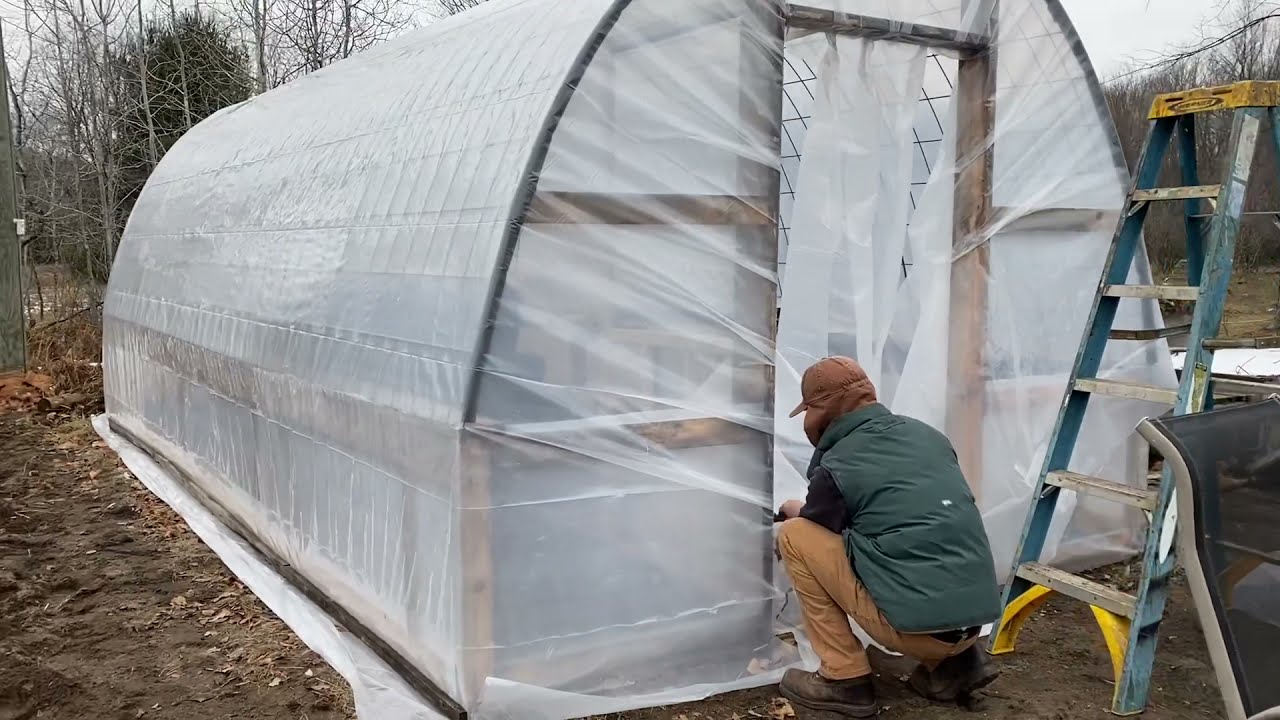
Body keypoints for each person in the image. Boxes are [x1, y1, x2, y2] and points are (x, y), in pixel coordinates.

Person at [775, 356, 1001, 718]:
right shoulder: (927, 435)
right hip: (975, 625)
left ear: (820, 410)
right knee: (921, 529)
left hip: (917, 632)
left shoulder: (840, 462)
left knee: (796, 535)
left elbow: (820, 527)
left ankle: (842, 678)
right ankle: (955, 665)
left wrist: (793, 509)